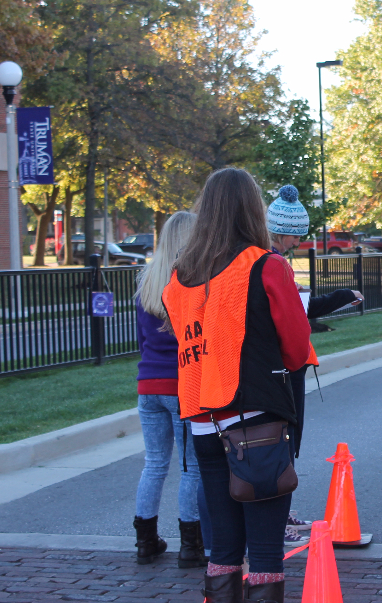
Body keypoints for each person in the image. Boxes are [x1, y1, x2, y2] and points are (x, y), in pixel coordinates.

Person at [162, 168, 310, 603]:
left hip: (202, 418)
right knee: (264, 553)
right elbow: (297, 348)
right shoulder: (267, 266)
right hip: (254, 418)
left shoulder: (180, 276)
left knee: (223, 550)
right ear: (253, 210)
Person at [264, 185, 363, 545]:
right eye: (295, 235)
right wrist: (342, 296)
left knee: (286, 441)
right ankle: (276, 519)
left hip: (288, 366)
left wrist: (341, 297)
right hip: (284, 369)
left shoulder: (273, 261)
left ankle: (281, 512)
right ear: (280, 231)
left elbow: (300, 308)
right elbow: (298, 313)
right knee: (284, 441)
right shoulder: (272, 265)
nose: (298, 241)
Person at [132, 211, 206, 568]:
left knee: (155, 464)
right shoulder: (192, 282)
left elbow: (141, 340)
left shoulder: (146, 282)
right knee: (191, 466)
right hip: (182, 385)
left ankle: (145, 540)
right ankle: (190, 544)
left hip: (148, 383)